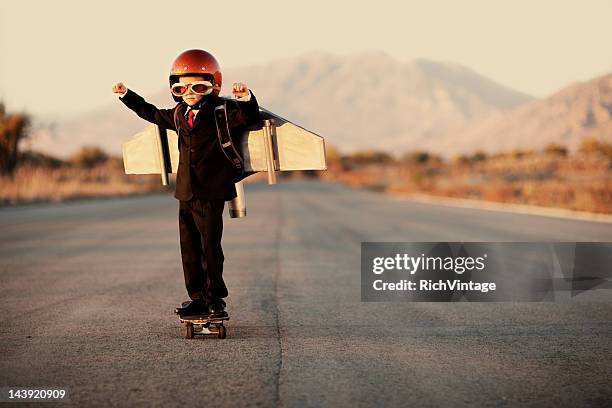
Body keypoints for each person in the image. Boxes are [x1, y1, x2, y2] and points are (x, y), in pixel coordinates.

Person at [112, 49, 260, 317]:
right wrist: (126, 95)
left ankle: (215, 300)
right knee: (189, 249)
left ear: (213, 86)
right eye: (182, 88)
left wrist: (246, 99)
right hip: (185, 192)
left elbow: (251, 118)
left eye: (198, 86)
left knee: (210, 248)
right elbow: (150, 112)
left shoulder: (223, 112)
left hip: (211, 192)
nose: (190, 92)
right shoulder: (179, 113)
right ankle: (198, 298)